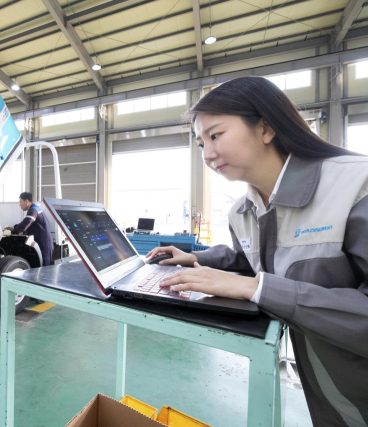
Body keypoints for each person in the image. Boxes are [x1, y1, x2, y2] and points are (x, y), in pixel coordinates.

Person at [146, 76, 368, 426]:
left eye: (215, 135)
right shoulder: (242, 211)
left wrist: (257, 288)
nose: (207, 154)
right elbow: (255, 260)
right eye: (200, 142)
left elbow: (262, 278)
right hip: (327, 390)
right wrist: (197, 259)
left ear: (266, 128)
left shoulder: (357, 184)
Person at [5, 192, 53, 267]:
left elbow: (25, 225)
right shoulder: (34, 209)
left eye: (20, 202)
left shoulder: (33, 210)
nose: (19, 204)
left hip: (44, 244)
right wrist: (14, 227)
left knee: (45, 270)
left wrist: (12, 232)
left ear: (26, 201)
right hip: (43, 242)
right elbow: (25, 222)